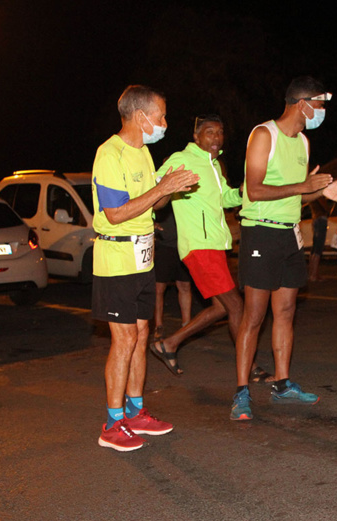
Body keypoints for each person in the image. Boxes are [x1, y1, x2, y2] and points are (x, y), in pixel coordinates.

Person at [232, 77, 337, 420]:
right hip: (259, 233)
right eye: (321, 104)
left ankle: (282, 385)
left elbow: (298, 194)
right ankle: (241, 393)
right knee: (254, 316)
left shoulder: (303, 142)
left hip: (288, 233)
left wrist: (322, 192)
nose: (322, 112)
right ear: (303, 104)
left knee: (285, 312)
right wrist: (304, 185)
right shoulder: (263, 135)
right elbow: (254, 190)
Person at [92, 85, 199, 451]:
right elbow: (116, 212)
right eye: (162, 115)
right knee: (123, 340)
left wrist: (174, 187)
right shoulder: (110, 154)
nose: (164, 123)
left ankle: (136, 412)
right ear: (141, 116)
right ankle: (112, 422)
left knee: (140, 335)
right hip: (117, 260)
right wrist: (161, 187)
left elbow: (149, 205)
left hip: (142, 258)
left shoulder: (144, 154)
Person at [149, 115, 256, 378]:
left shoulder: (215, 166)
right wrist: (149, 218)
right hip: (199, 245)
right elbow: (154, 187)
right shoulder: (181, 158)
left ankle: (169, 343)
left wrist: (242, 192)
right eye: (209, 132)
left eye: (220, 133)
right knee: (236, 306)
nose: (216, 138)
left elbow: (224, 199)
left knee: (221, 307)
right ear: (196, 137)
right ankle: (249, 367)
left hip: (216, 244)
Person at [152, 202, 191, 341]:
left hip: (183, 245)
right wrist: (153, 224)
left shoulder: (184, 194)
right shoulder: (161, 191)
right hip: (163, 246)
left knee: (185, 286)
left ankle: (186, 325)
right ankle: (159, 325)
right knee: (159, 289)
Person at [307, 197, 330, 282]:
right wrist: (328, 210)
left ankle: (312, 273)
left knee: (315, 247)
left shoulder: (311, 193)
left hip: (315, 218)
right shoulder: (318, 194)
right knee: (318, 248)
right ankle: (314, 275)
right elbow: (324, 205)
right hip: (321, 218)